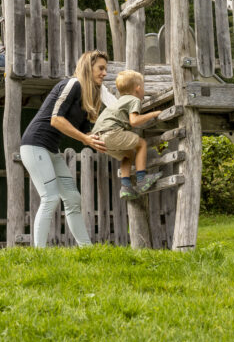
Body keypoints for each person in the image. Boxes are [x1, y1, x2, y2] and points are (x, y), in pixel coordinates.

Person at [20, 50, 109, 248]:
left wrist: (102, 140)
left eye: (105, 69)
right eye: (101, 68)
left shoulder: (89, 95)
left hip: (51, 150)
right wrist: (86, 139)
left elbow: (87, 131)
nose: (104, 73)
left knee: (72, 198)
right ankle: (38, 253)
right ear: (88, 67)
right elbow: (56, 120)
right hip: (34, 145)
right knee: (50, 197)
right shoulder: (73, 84)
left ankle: (87, 249)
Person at [91, 70, 163, 200]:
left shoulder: (119, 101)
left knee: (128, 154)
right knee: (142, 144)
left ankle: (126, 186)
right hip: (112, 132)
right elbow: (134, 121)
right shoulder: (134, 100)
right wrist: (153, 114)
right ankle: (142, 180)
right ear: (138, 88)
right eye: (143, 87)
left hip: (98, 139)